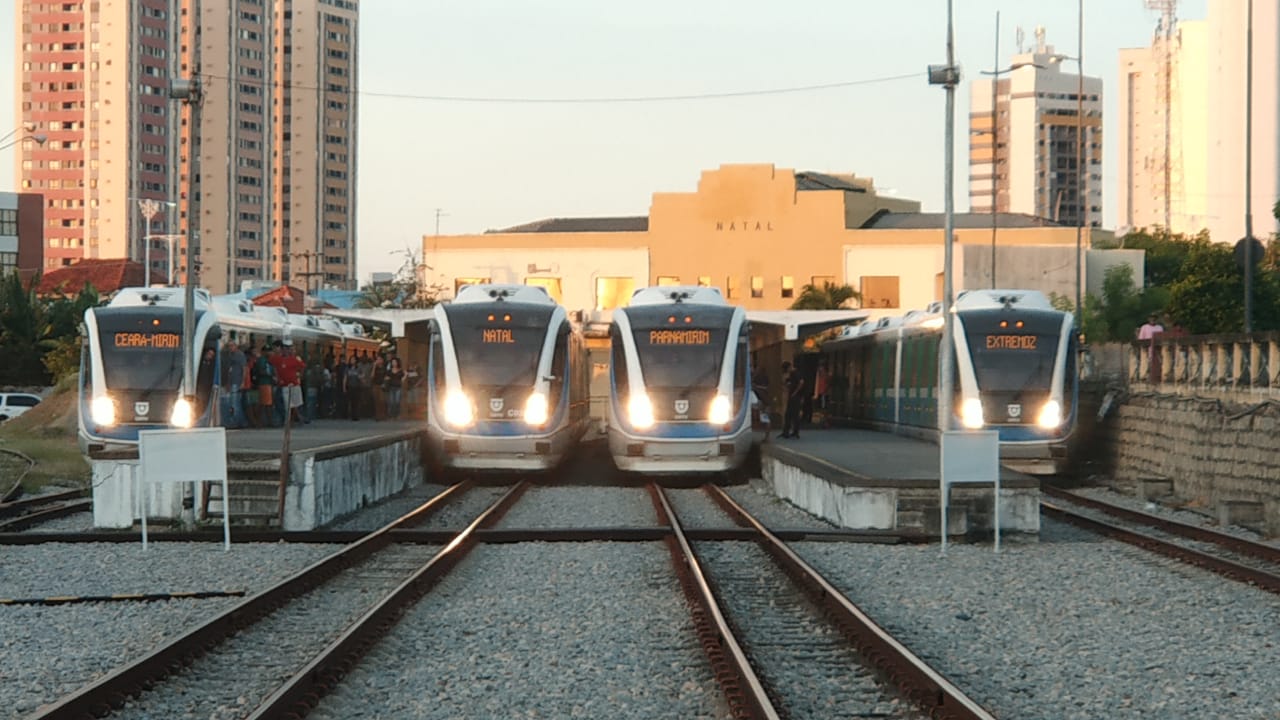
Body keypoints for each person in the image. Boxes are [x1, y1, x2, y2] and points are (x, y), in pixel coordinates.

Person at [221, 341, 246, 429]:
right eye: (229, 346)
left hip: (237, 381)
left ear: (236, 346)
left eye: (232, 346)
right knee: (231, 403)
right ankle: (239, 421)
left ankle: (237, 422)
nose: (230, 348)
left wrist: (243, 382)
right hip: (230, 382)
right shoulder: (228, 356)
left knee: (235, 403)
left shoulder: (240, 355)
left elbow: (244, 369)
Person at [252, 345, 276, 428]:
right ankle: (261, 422)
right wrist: (270, 375)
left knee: (268, 403)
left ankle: (267, 421)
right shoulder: (261, 360)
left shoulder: (267, 360)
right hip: (264, 383)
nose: (270, 353)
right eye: (267, 351)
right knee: (264, 404)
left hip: (268, 383)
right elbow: (261, 371)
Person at [780, 361, 806, 439]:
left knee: (794, 414)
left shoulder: (796, 373)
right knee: (789, 414)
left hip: (796, 396)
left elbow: (801, 382)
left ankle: (795, 432)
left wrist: (795, 392)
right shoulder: (792, 374)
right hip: (792, 396)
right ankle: (787, 432)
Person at [1137, 313, 1164, 382]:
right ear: (1148, 319)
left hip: (1157, 349)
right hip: (1146, 349)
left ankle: (1157, 377)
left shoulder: (1160, 328)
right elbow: (1141, 339)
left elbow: (1162, 338)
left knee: (1157, 364)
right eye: (1151, 318)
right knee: (1145, 363)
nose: (1152, 319)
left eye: (1154, 318)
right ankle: (1143, 377)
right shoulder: (1144, 327)